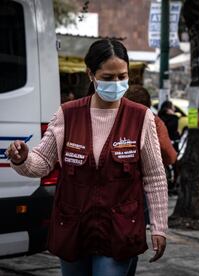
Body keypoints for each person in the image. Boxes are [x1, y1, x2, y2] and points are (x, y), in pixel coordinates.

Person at [6, 39, 168, 276]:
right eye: (108, 77)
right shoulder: (67, 114)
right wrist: (22, 159)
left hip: (118, 230)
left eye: (122, 76)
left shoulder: (140, 117)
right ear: (90, 74)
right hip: (73, 227)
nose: (116, 83)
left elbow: (155, 177)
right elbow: (42, 162)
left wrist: (159, 227)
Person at [124, 85, 176, 276]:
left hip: (113, 195)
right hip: (140, 193)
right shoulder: (153, 121)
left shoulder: (113, 119)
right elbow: (170, 156)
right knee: (131, 239)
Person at [125, 85, 177, 166]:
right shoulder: (154, 121)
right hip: (146, 172)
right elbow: (168, 153)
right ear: (148, 104)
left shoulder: (116, 119)